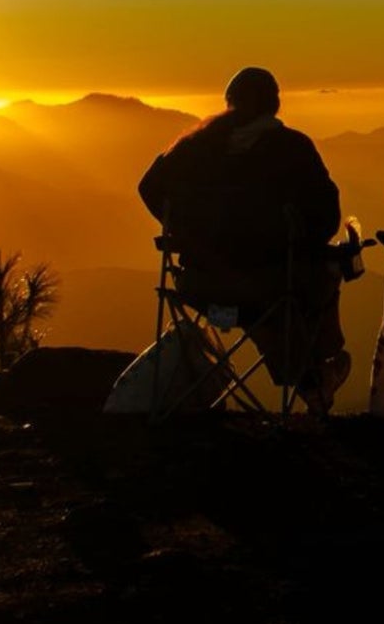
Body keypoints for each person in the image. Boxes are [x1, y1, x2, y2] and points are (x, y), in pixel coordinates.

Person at [138, 66, 354, 414]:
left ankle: (314, 378)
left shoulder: (192, 147)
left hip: (201, 285)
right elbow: (327, 217)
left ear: (228, 104)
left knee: (262, 313)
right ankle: (318, 373)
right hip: (268, 285)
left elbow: (148, 188)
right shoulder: (292, 148)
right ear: (275, 105)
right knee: (317, 279)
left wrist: (182, 230)